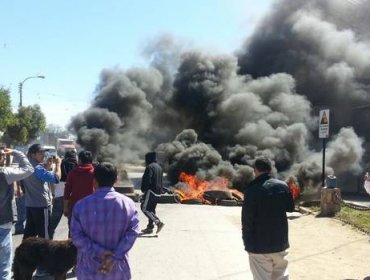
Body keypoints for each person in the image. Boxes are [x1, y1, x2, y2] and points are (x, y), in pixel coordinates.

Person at [71, 162, 139, 280]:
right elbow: (132, 234)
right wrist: (114, 257)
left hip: (89, 270)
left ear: (94, 181)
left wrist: (100, 252)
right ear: (115, 180)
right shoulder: (129, 204)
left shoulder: (81, 205)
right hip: (118, 270)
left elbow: (76, 237)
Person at [242, 156, 295, 280]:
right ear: (270, 169)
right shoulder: (282, 186)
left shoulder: (251, 190)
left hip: (259, 247)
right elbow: (290, 208)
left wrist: (247, 243)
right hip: (280, 245)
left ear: (255, 170)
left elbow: (247, 219)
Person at [0, 147, 34, 280]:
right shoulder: (5, 173)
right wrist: (15, 152)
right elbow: (28, 169)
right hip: (3, 223)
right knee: (4, 268)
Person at [22, 144, 61, 240]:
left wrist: (47, 168)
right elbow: (56, 179)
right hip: (41, 206)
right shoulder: (38, 168)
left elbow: (36, 179)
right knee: (45, 237)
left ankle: (25, 254)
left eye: (44, 152)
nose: (43, 155)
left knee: (29, 236)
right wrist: (58, 165)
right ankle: (46, 255)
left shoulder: (26, 166)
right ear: (32, 154)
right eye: (40, 153)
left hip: (30, 205)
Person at [63, 150, 95, 236]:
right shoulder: (95, 173)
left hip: (75, 208)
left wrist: (65, 208)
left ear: (79, 160)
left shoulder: (72, 173)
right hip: (91, 209)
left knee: (73, 234)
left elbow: (67, 192)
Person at [49, 150, 77, 239]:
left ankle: (47, 242)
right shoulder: (77, 166)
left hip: (58, 196)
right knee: (71, 226)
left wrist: (53, 194)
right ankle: (70, 246)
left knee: (52, 224)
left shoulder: (59, 165)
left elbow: (52, 182)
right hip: (72, 199)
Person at [140, 152, 165, 234]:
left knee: (144, 208)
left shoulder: (150, 167)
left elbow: (148, 179)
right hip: (158, 193)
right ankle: (150, 227)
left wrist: (144, 190)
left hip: (151, 191)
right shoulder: (159, 167)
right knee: (151, 210)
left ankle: (158, 223)